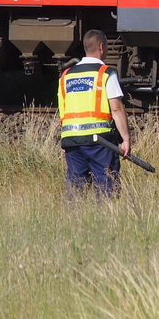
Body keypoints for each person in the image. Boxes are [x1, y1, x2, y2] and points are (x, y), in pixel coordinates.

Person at [57, 29, 131, 197]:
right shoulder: (105, 73)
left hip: (71, 139)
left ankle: (73, 221)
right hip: (100, 140)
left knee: (76, 188)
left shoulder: (66, 75)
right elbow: (117, 108)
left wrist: (65, 138)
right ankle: (106, 221)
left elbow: (64, 109)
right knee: (106, 185)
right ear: (101, 46)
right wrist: (126, 139)